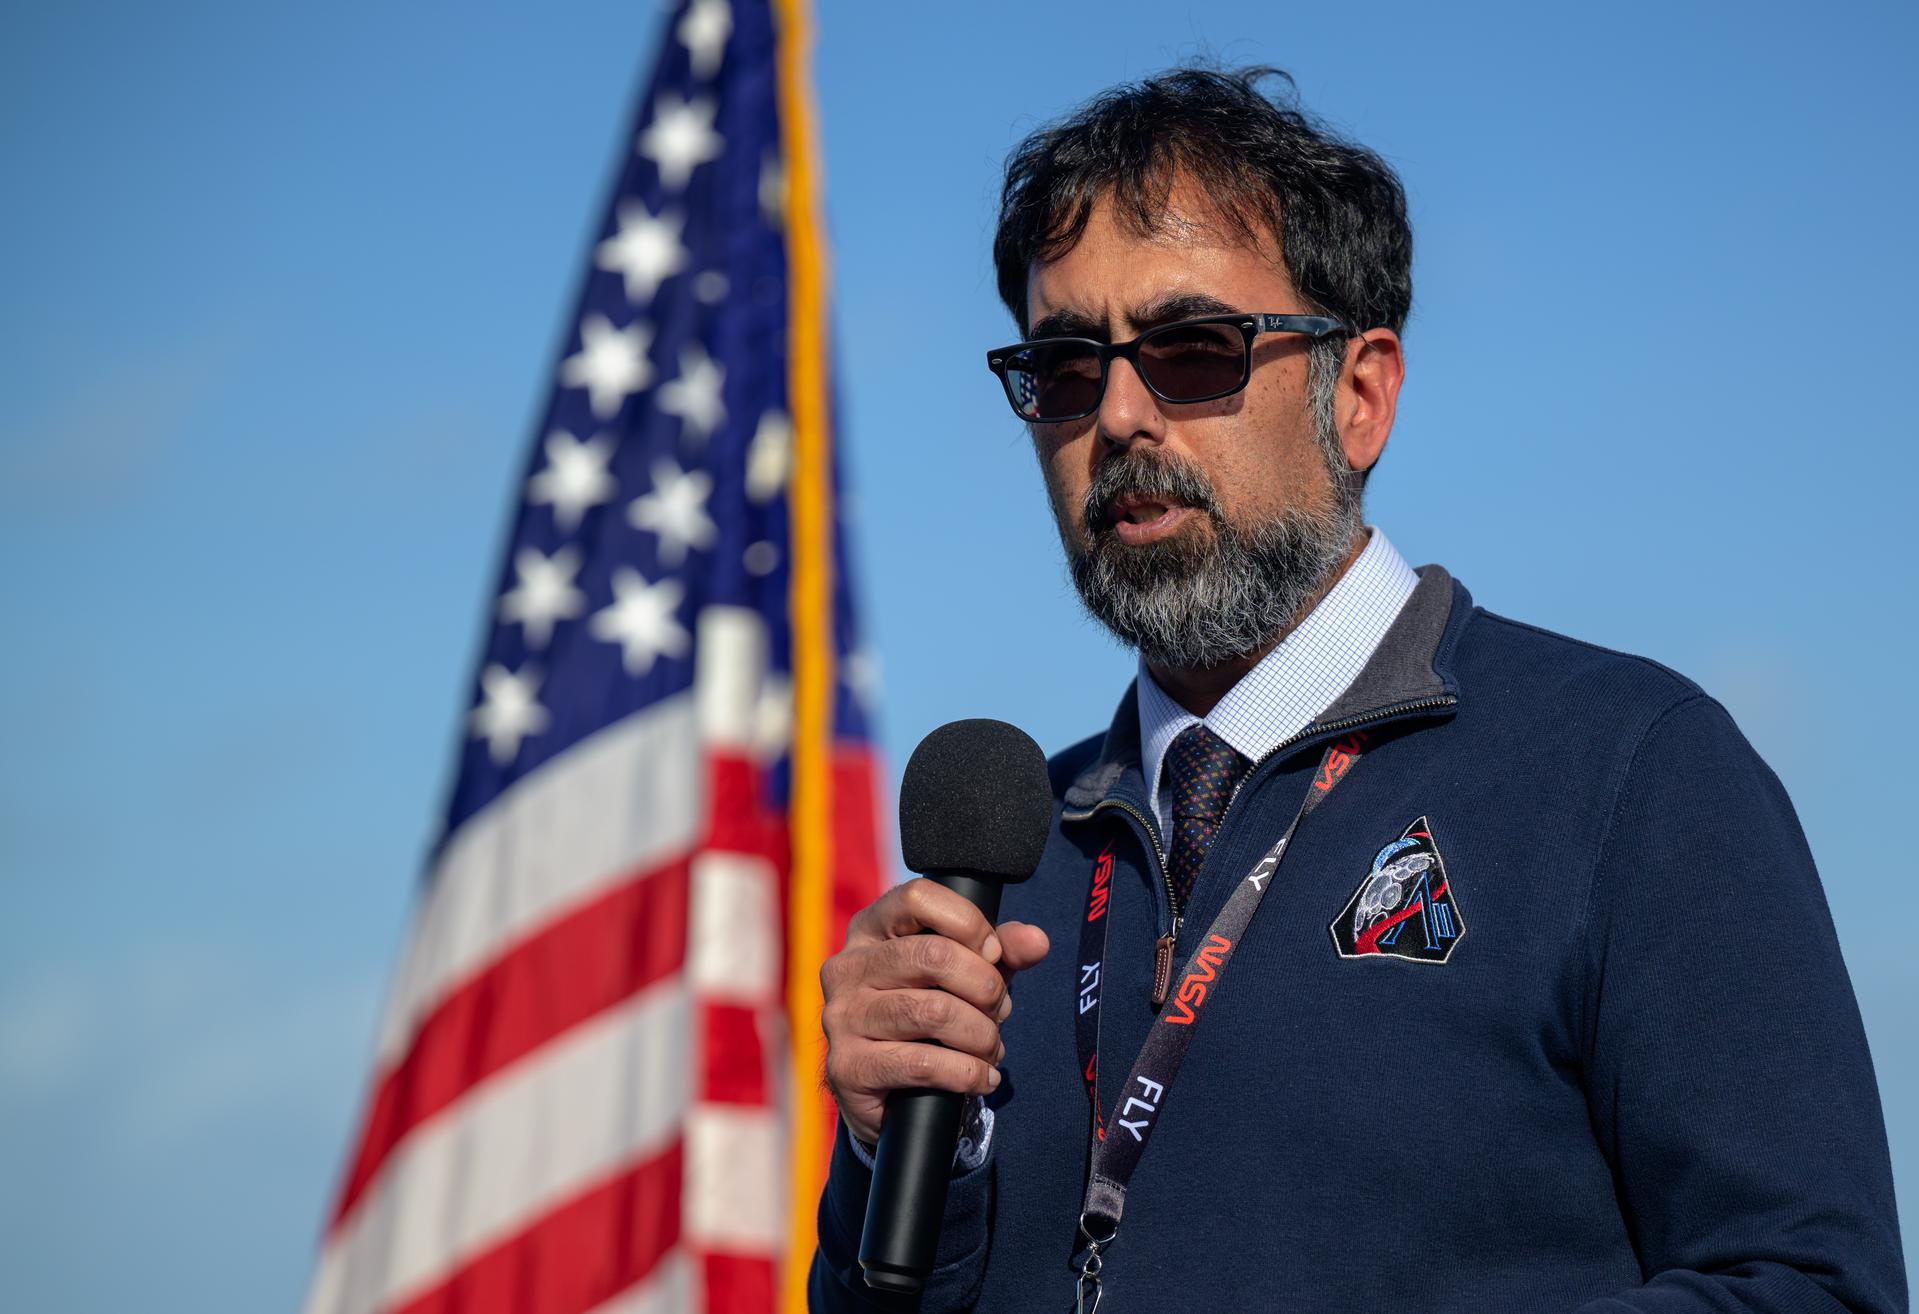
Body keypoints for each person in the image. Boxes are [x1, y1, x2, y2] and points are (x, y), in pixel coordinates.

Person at [807, 66, 1906, 1313]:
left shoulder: (1628, 772)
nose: (1116, 416)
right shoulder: (1012, 864)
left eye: (1189, 349)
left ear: (1361, 393)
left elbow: (1812, 1285)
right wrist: (890, 1154)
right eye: (1063, 366)